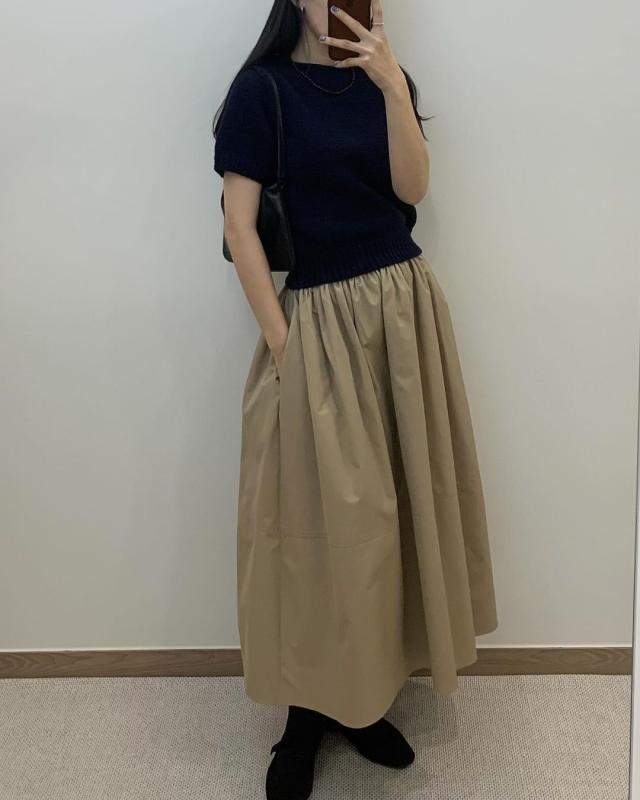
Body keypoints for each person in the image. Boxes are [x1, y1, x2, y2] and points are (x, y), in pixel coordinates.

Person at [212, 2, 498, 798]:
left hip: (404, 316)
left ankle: (366, 700)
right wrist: (284, 344)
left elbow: (413, 188)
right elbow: (240, 226)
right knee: (319, 533)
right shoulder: (261, 90)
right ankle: (307, 716)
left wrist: (393, 89)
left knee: (394, 523)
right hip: (320, 326)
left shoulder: (389, 78)